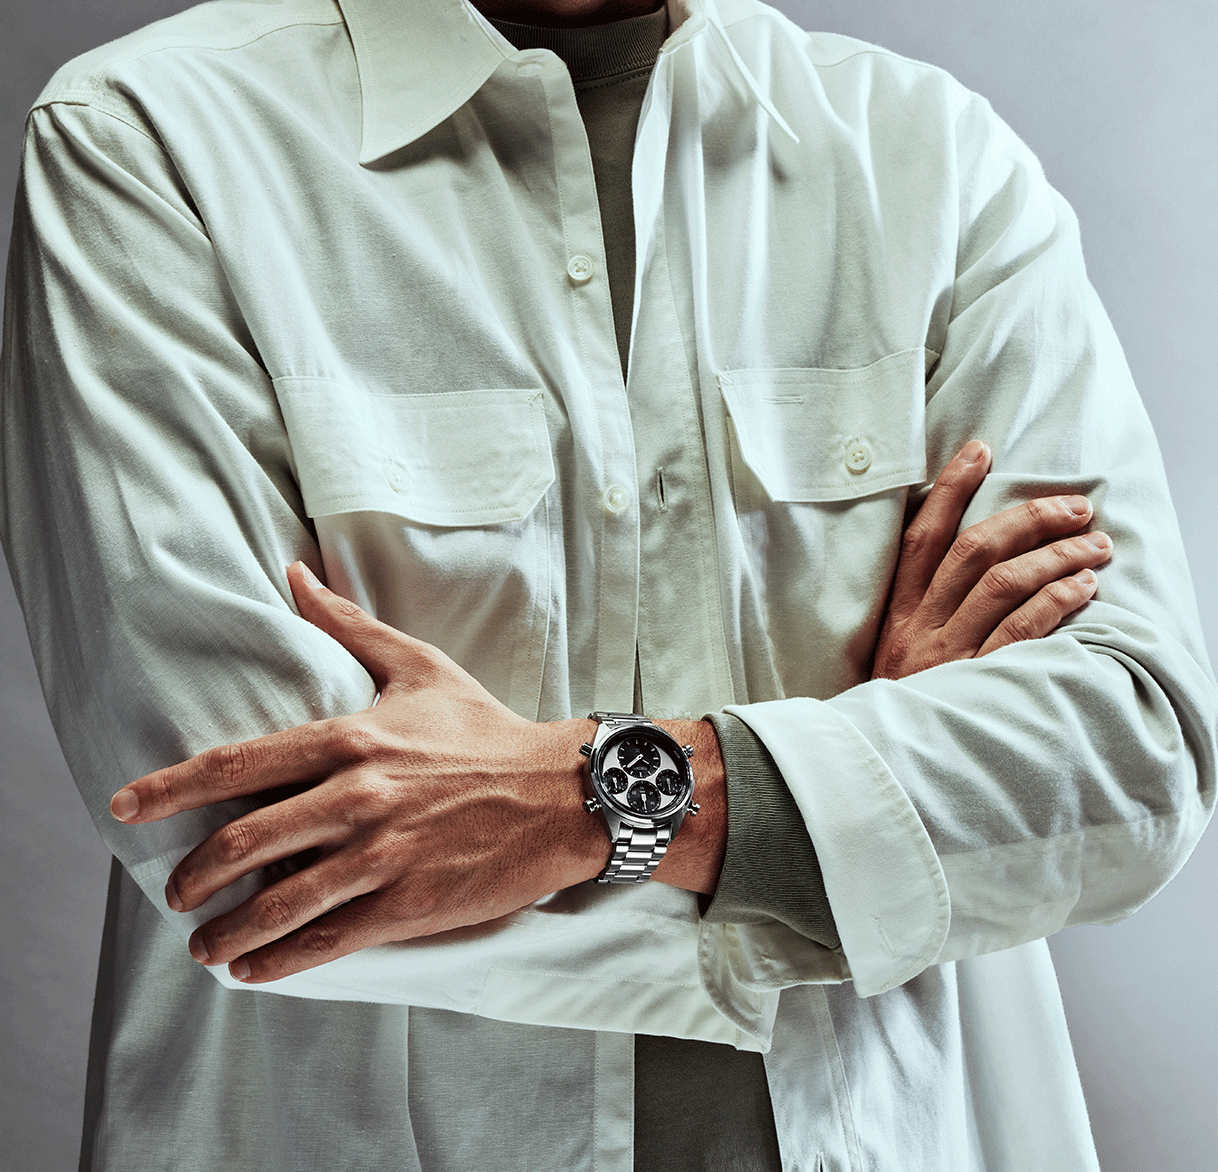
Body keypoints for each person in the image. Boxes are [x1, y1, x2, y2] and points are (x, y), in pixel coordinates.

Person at [2, 0, 1214, 1167]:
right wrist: (866, 807)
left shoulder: (938, 162)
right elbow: (259, 850)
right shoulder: (148, 139)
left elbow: (1129, 750)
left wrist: (581, 801)